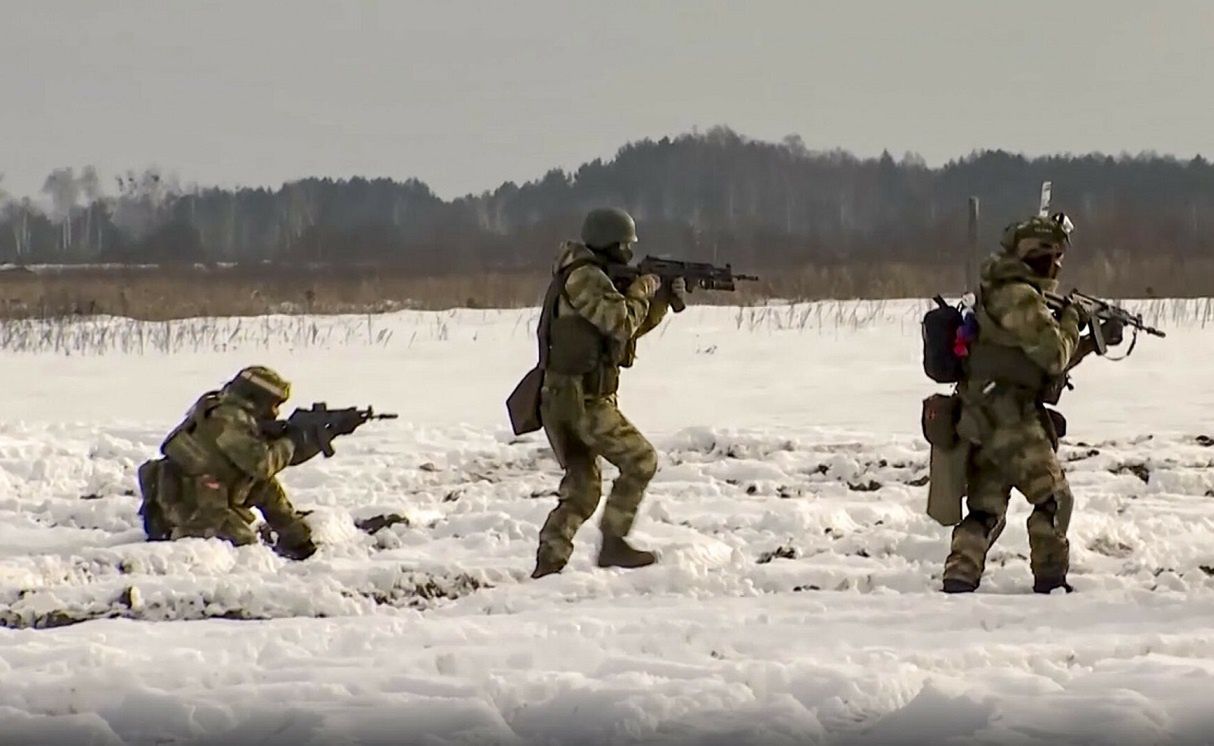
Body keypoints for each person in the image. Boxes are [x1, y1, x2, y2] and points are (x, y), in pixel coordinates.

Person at [943, 213, 1124, 594]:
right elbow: (1055, 353)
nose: (1056, 263)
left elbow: (1036, 363)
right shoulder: (1018, 295)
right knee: (1054, 499)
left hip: (982, 416)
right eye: (1050, 254)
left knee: (985, 510)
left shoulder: (1002, 290)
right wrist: (1073, 320)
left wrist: (1094, 342)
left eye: (1059, 255)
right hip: (1009, 418)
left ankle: (960, 576)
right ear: (1030, 254)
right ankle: (1050, 580)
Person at [531, 207, 685, 579]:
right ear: (608, 243)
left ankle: (548, 565)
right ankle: (613, 544)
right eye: (623, 246)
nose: (628, 253)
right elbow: (620, 321)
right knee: (641, 460)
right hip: (579, 400)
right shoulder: (585, 278)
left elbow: (625, 330)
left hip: (568, 397)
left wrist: (660, 299)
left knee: (583, 488)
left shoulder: (590, 275)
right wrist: (642, 290)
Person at [136, 365, 322, 560]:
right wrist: (292, 441)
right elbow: (262, 464)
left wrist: (310, 439)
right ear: (255, 398)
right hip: (191, 510)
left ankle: (299, 543)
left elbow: (274, 460)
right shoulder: (227, 418)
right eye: (273, 404)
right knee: (245, 554)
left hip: (205, 499)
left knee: (265, 487)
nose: (275, 412)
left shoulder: (223, 409)